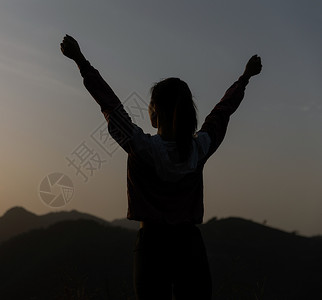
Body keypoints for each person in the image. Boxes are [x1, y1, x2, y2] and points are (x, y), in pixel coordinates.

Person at [60, 34, 262, 300]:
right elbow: (222, 111)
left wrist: (80, 61)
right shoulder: (199, 148)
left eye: (150, 106)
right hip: (190, 246)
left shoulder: (140, 147)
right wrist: (244, 78)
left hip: (152, 246)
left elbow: (110, 104)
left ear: (154, 112)